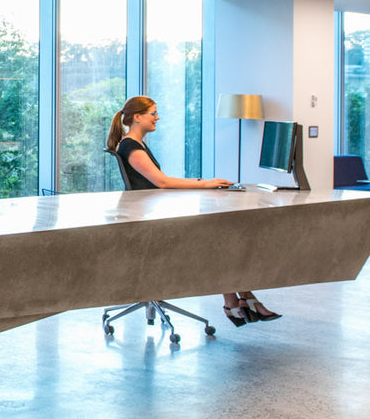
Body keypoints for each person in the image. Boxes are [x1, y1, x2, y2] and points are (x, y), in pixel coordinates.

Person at [106, 95, 282, 327]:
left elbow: (158, 183)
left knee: (220, 241)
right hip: (148, 228)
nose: (157, 117)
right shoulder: (131, 146)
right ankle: (239, 301)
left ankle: (238, 300)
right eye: (153, 113)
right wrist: (205, 184)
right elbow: (162, 183)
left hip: (152, 217)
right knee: (219, 243)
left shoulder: (138, 144)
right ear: (137, 117)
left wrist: (201, 182)